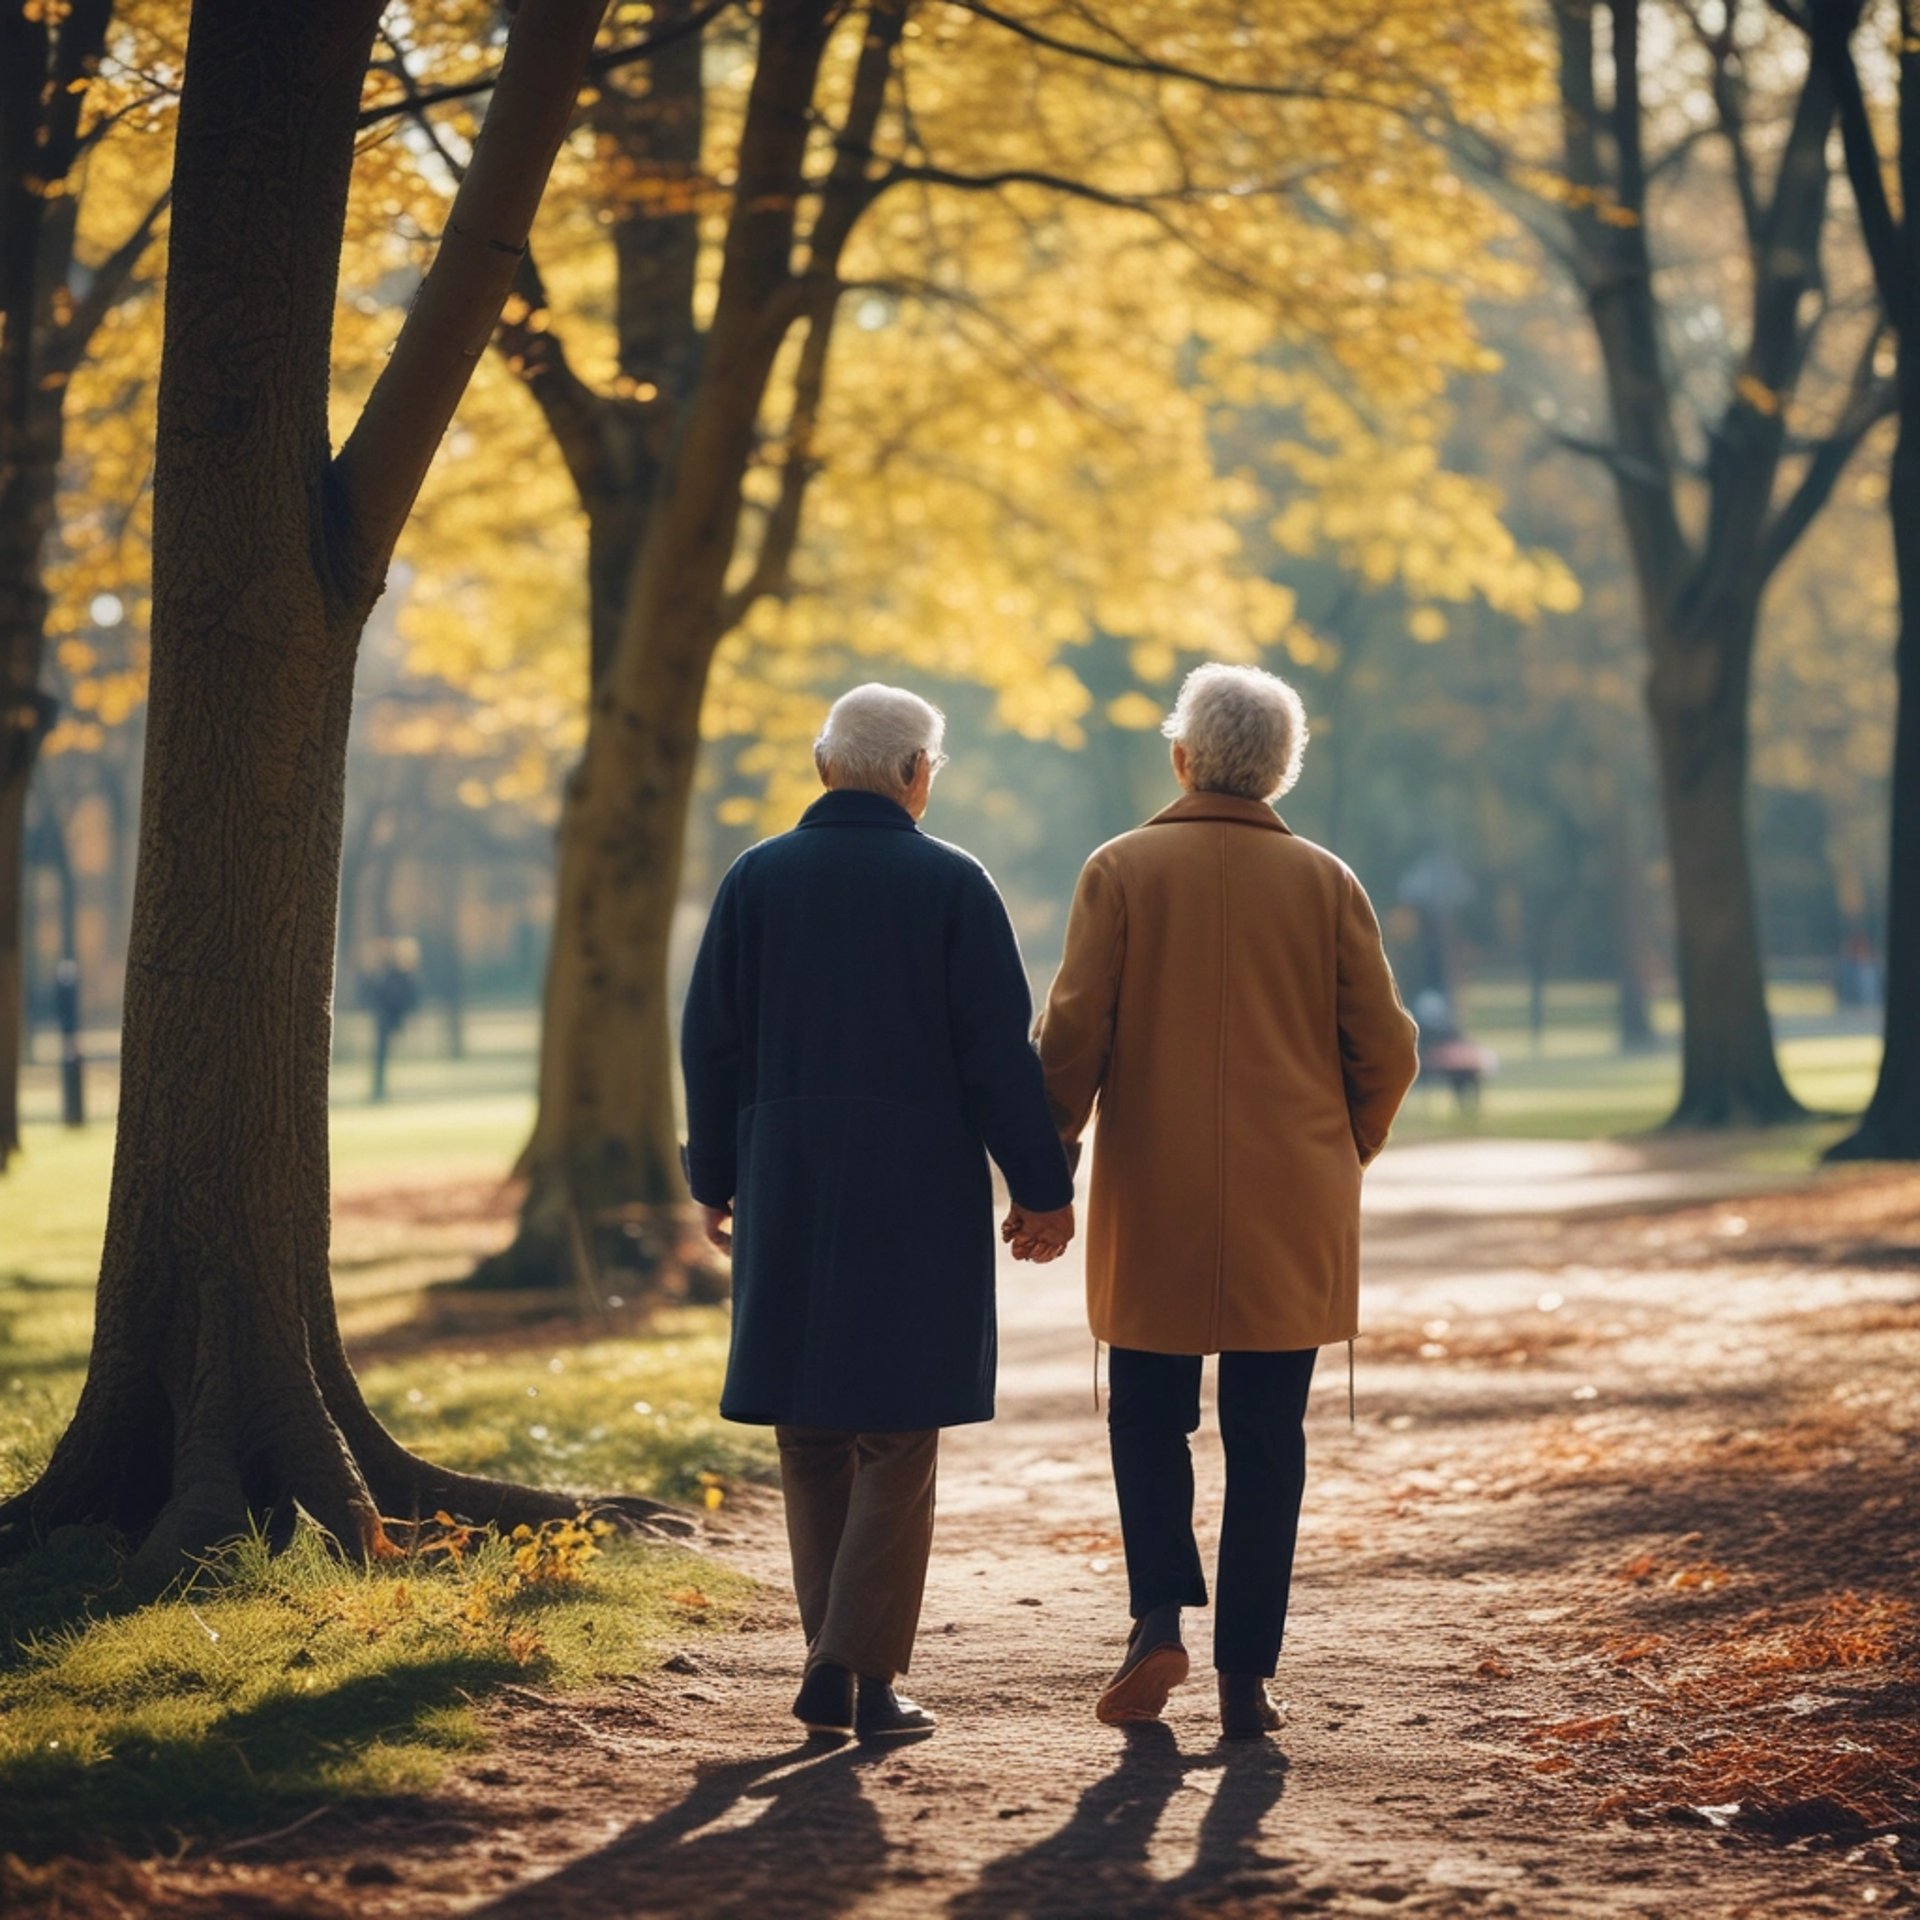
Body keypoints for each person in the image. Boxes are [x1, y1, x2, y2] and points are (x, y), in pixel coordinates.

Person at [680, 683, 1075, 1744]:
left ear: (823, 768)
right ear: (916, 774)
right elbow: (998, 1056)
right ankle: (856, 1667)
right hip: (915, 1187)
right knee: (898, 1432)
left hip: (788, 1179)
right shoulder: (953, 884)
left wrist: (712, 1176)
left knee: (810, 1429)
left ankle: (835, 1663)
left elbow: (708, 1043)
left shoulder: (754, 879)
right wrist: (1041, 1188)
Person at [1036, 662, 1419, 1740]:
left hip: (1155, 1194)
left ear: (1181, 756)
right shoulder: (1328, 882)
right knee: (1267, 1436)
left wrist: (1047, 1167)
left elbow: (1072, 1040)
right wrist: (1345, 1150)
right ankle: (1249, 1676)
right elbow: (1385, 1049)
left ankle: (1159, 1614)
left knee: (1148, 1418)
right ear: (1282, 768)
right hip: (1289, 1200)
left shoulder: (1119, 869)